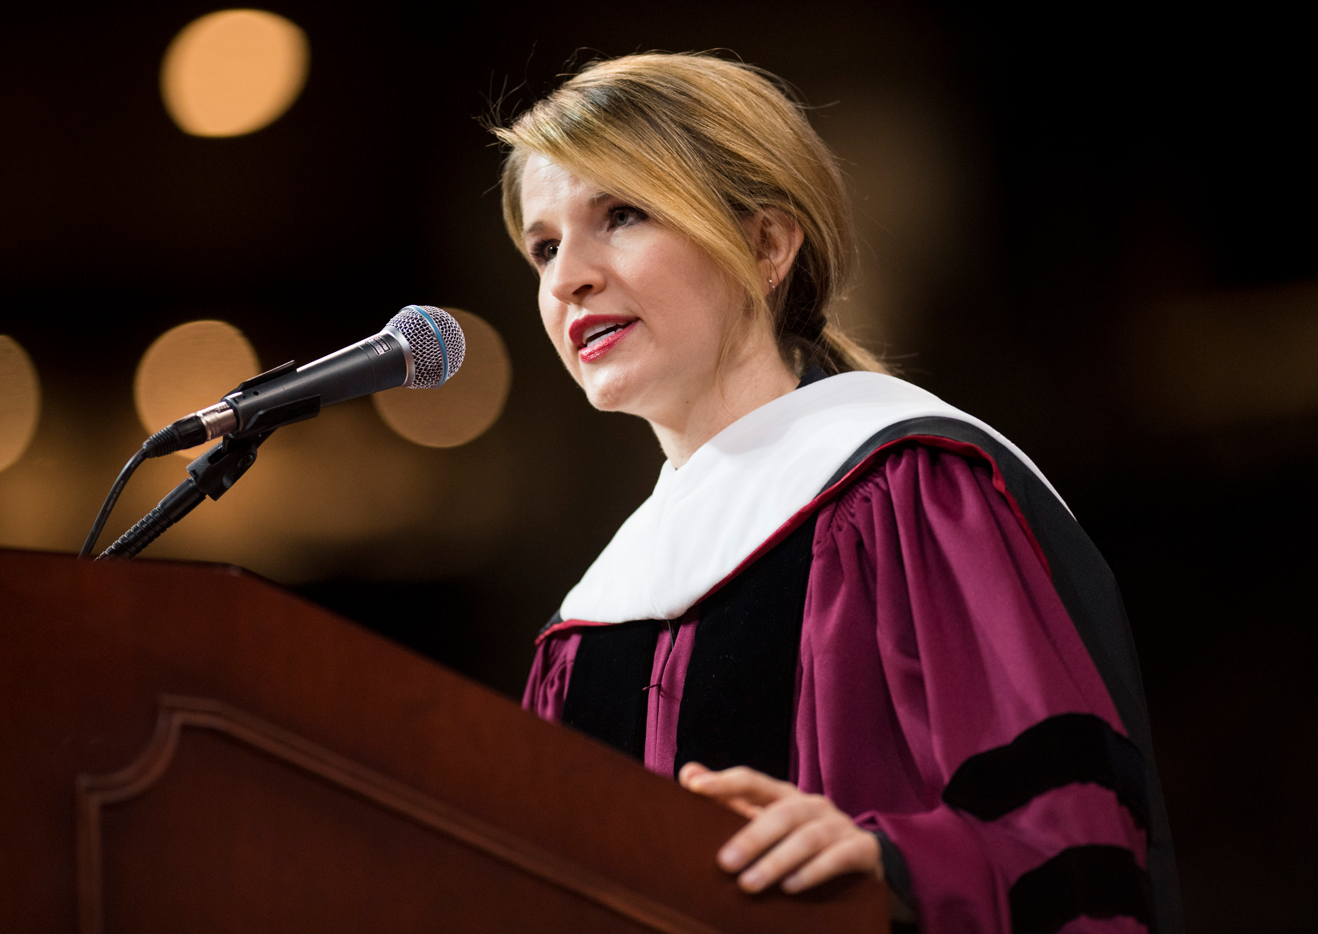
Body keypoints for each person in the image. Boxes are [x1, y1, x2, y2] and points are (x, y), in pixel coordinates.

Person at [492, 51, 1181, 933]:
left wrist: (893, 869)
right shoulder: (589, 623)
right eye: (544, 245)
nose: (566, 277)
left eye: (620, 215)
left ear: (766, 243)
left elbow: (1066, 845)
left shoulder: (910, 494)